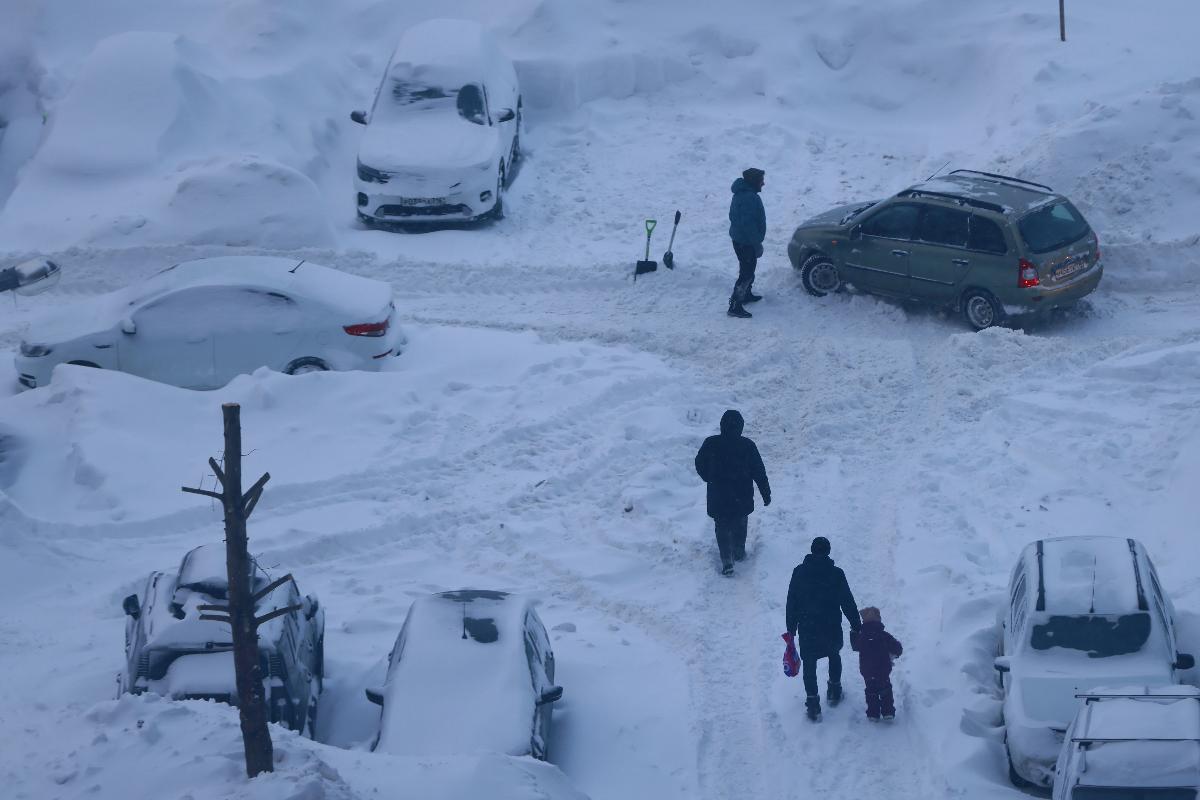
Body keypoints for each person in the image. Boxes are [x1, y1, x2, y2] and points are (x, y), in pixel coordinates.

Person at [784, 537, 862, 721]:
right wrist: (856, 624)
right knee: (834, 655)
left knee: (809, 664)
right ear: (828, 551)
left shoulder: (799, 572)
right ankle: (835, 690)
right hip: (831, 625)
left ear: (811, 551)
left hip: (807, 626)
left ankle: (812, 703)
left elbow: (792, 601)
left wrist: (791, 628)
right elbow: (847, 601)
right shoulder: (836, 574)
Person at [694, 409, 771, 576]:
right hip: (741, 495)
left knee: (721, 525)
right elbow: (759, 471)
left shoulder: (711, 443)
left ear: (722, 425)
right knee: (740, 522)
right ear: (741, 427)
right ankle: (738, 551)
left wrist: (708, 477)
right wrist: (766, 493)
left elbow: (699, 462)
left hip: (719, 494)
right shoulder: (747, 445)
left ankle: (726, 559)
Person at [850, 606, 903, 721]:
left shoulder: (861, 637)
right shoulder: (884, 636)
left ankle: (873, 713)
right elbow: (897, 648)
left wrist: (853, 633)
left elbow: (855, 646)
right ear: (878, 620)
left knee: (871, 691)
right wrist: (897, 652)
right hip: (883, 670)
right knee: (885, 690)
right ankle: (888, 711)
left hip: (867, 671)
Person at [727, 167, 766, 319]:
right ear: (754, 182)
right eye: (761, 181)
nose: (763, 183)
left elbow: (732, 216)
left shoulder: (741, 194)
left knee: (748, 268)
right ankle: (735, 305)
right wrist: (756, 244)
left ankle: (746, 294)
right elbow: (748, 224)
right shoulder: (749, 198)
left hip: (741, 239)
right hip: (746, 242)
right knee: (746, 273)